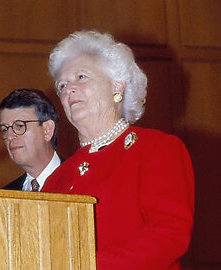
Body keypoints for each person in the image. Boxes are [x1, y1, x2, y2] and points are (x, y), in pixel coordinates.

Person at [41, 30, 195, 269]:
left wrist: (88, 265)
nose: (69, 89)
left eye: (81, 77)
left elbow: (169, 235)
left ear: (118, 87)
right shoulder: (55, 179)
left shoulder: (156, 149)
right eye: (62, 85)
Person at [0, 88, 64, 191]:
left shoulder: (79, 182)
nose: (9, 137)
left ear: (47, 130)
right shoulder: (5, 197)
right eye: (4, 129)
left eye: (19, 126)